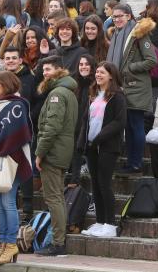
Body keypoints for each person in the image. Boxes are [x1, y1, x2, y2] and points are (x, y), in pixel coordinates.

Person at [0, 71, 33, 265]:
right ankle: (3, 244)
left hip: (12, 160)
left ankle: (11, 243)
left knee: (8, 203)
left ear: (5, 85)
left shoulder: (17, 105)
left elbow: (12, 135)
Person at [34, 56, 78, 257]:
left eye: (49, 69)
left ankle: (58, 243)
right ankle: (58, 241)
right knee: (57, 197)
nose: (45, 73)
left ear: (59, 70)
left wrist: (40, 152)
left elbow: (51, 127)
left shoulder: (57, 94)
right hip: (62, 149)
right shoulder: (66, 91)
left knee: (53, 198)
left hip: (53, 150)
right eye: (43, 70)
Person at [77, 62, 126, 238]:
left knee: (105, 184)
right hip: (91, 146)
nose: (98, 75)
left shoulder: (117, 96)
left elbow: (119, 122)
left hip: (107, 146)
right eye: (97, 72)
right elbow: (86, 120)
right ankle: (99, 221)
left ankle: (110, 224)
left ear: (111, 76)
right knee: (95, 184)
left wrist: (99, 138)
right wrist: (83, 142)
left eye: (102, 73)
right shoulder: (94, 95)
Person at [108, 4, 157, 175]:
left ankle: (136, 163)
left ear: (129, 16)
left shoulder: (138, 34)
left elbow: (152, 60)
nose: (117, 20)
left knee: (135, 126)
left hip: (136, 88)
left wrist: (129, 68)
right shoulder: (117, 34)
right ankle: (130, 162)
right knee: (128, 127)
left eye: (120, 16)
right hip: (123, 87)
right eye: (114, 17)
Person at [67, 54, 97, 186]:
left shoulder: (96, 83)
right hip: (76, 123)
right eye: (81, 64)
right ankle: (75, 179)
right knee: (75, 150)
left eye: (86, 64)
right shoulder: (74, 83)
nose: (83, 67)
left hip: (92, 124)